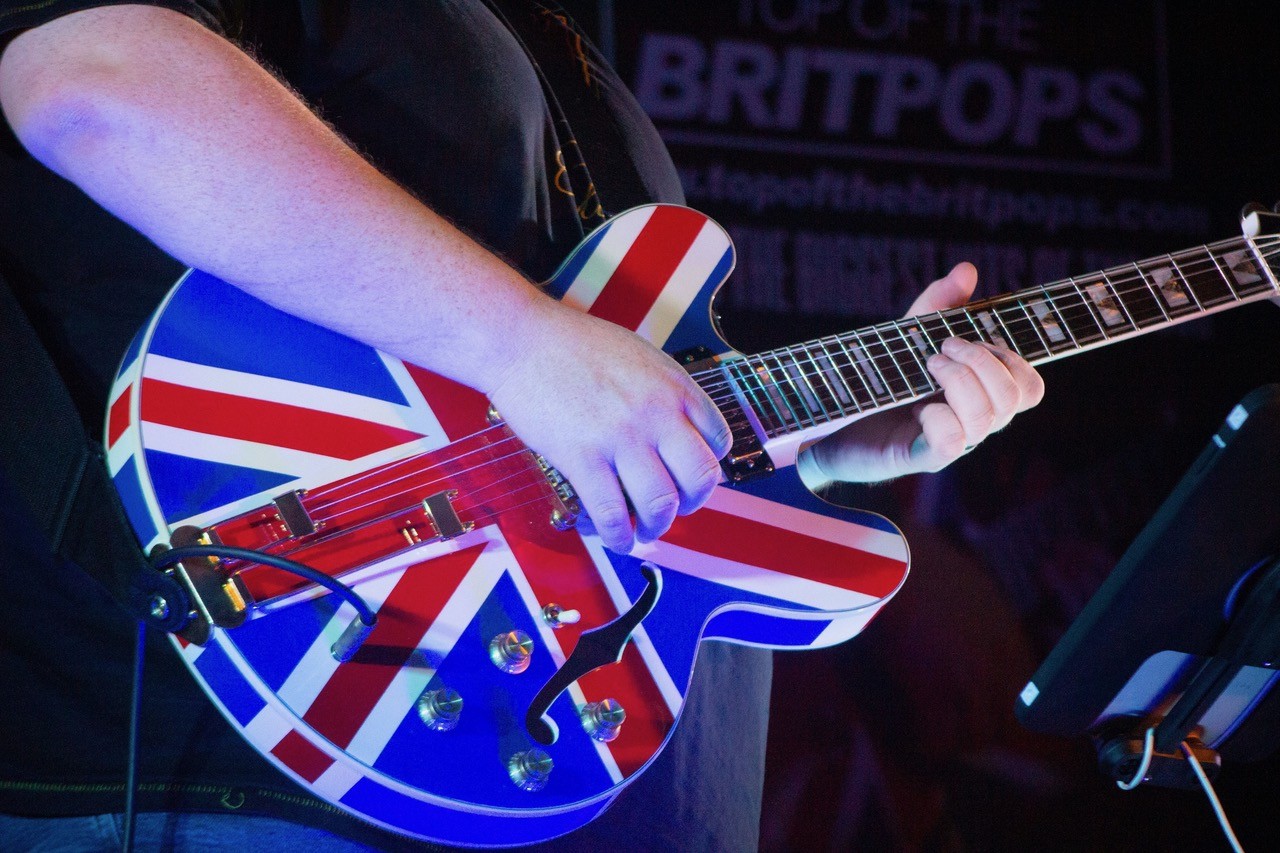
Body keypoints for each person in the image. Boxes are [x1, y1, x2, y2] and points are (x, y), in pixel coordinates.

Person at [0, 2, 1043, 850]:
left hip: (597, 784)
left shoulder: (558, 50)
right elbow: (97, 87)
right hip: (256, 753)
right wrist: (519, 343)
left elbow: (569, 431)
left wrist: (811, 454)